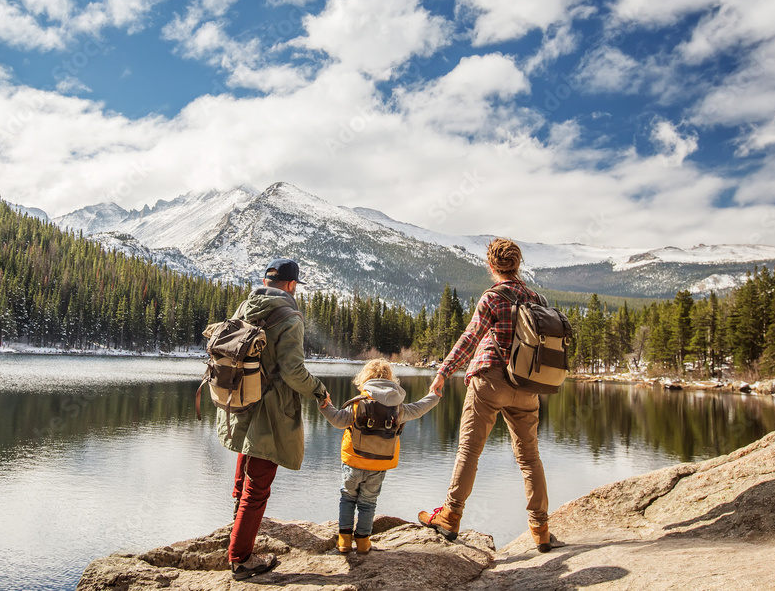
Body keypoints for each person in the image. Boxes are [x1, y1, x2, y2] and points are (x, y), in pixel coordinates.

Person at [418, 238, 554, 553]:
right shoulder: (537, 298)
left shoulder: (493, 297)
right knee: (530, 458)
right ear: (518, 265)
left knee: (469, 451)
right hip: (527, 386)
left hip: (490, 380)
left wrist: (443, 371)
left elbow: (471, 336)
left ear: (490, 266)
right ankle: (541, 528)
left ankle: (450, 515)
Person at [219, 258, 330, 581]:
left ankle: (238, 520)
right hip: (271, 406)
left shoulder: (245, 306)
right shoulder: (289, 317)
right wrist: (320, 391)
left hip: (242, 396)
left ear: (266, 281)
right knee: (260, 484)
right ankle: (241, 559)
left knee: (247, 457)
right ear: (291, 285)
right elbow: (293, 372)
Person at [319, 359, 439, 555]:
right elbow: (418, 408)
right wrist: (434, 396)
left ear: (364, 378)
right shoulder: (397, 407)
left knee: (348, 499)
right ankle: (364, 542)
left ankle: (344, 540)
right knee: (368, 502)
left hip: (353, 461)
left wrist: (325, 405)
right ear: (390, 379)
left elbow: (338, 420)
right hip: (378, 465)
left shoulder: (358, 403)